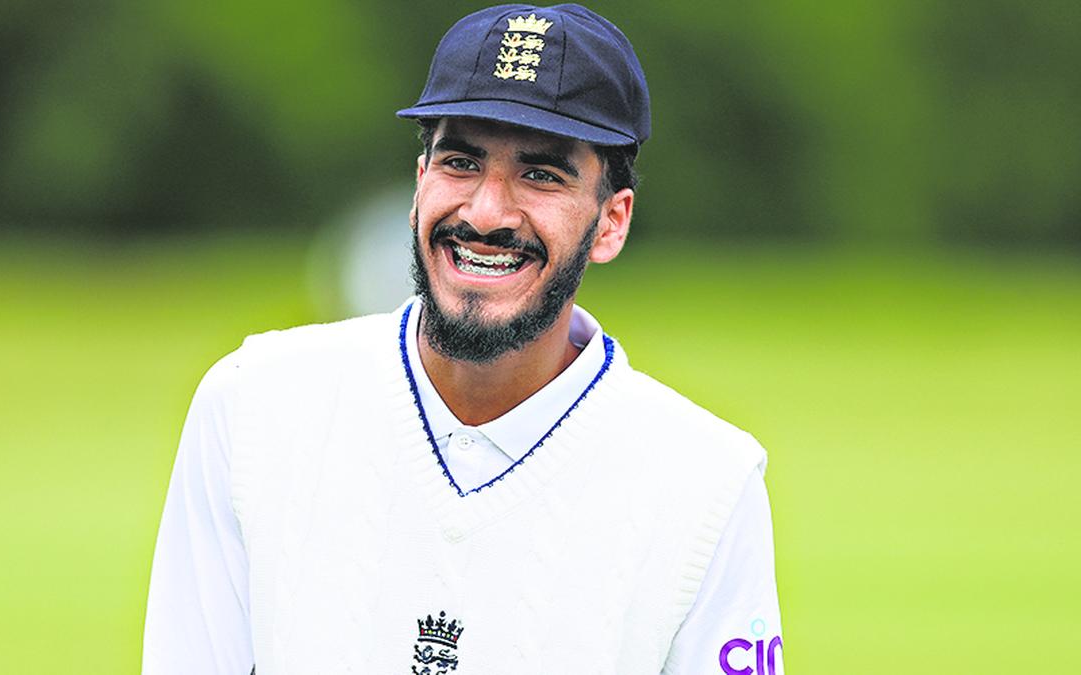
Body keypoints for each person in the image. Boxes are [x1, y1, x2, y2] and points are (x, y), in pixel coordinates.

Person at [143, 4, 784, 674]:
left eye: (542, 174)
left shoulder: (708, 481)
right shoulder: (253, 405)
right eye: (460, 162)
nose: (485, 212)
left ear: (610, 222)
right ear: (420, 182)